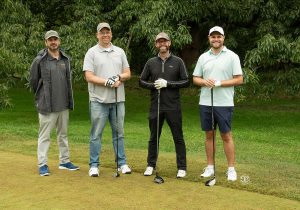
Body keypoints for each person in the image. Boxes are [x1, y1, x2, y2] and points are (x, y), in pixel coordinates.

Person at [193, 26, 243, 181]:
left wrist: (220, 83)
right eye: (213, 37)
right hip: (206, 102)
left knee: (226, 135)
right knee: (209, 134)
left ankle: (231, 169)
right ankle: (210, 167)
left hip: (225, 102)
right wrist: (204, 81)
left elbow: (239, 79)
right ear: (209, 38)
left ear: (223, 38)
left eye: (218, 37)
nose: (216, 39)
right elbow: (195, 78)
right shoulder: (203, 57)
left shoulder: (232, 56)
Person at [83, 22, 132, 177]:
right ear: (97, 35)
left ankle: (121, 163)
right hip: (98, 100)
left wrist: (118, 77)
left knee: (119, 133)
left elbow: (127, 73)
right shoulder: (91, 52)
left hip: (118, 100)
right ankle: (94, 165)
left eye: (107, 32)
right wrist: (107, 82)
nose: (105, 35)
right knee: (96, 134)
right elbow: (88, 76)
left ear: (111, 34)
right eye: (102, 32)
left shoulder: (119, 51)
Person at [139, 32, 190, 178]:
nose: (162, 44)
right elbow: (141, 81)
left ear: (169, 43)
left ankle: (182, 167)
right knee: (154, 137)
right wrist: (153, 86)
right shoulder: (151, 62)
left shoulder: (178, 61)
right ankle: (150, 165)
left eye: (164, 41)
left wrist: (168, 84)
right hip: (156, 105)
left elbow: (186, 81)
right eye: (159, 42)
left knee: (178, 137)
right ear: (156, 45)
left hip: (173, 106)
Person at [29, 30, 79, 176]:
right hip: (47, 106)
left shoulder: (65, 59)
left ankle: (64, 161)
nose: (53, 42)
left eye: (55, 39)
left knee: (63, 135)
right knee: (44, 136)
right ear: (46, 42)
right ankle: (42, 164)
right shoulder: (39, 60)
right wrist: (40, 97)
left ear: (59, 41)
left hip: (63, 104)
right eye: (50, 40)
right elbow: (33, 82)